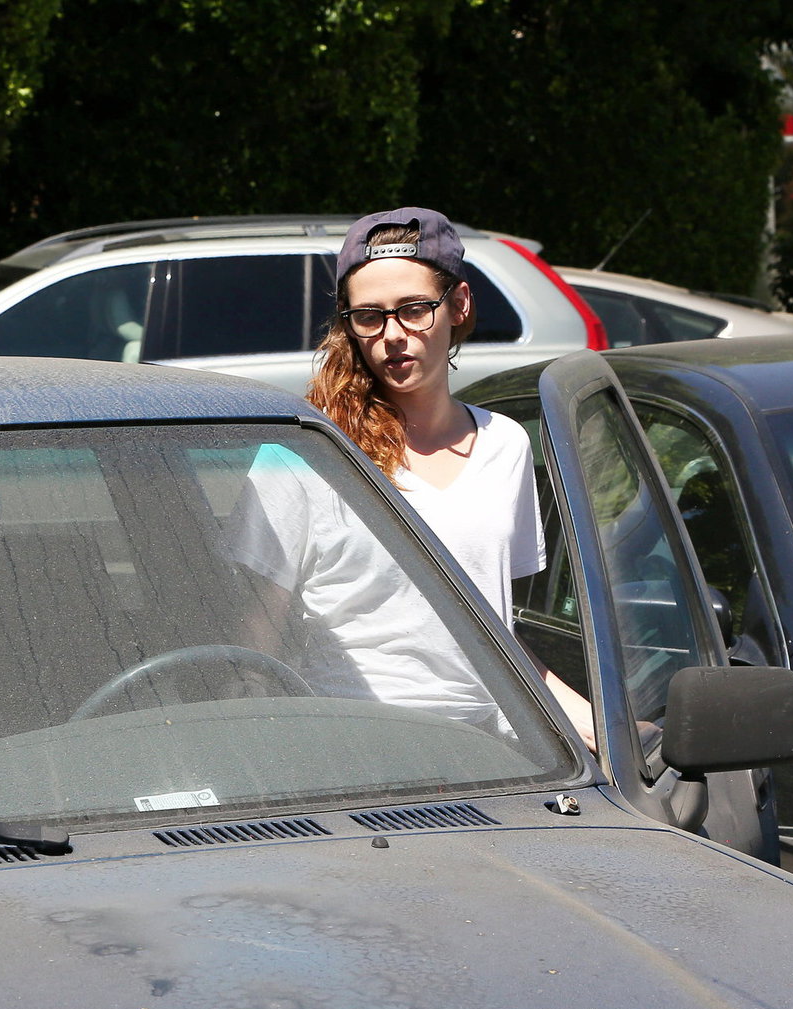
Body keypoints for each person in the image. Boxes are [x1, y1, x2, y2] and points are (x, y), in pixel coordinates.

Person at [230, 206, 594, 747]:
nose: (393, 335)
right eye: (370, 316)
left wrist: (608, 730)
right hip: (353, 750)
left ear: (460, 305)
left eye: (414, 309)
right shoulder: (305, 452)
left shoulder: (507, 446)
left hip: (496, 758)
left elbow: (492, 637)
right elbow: (251, 651)